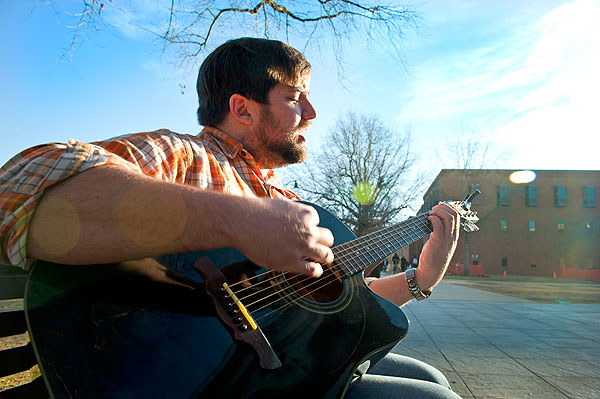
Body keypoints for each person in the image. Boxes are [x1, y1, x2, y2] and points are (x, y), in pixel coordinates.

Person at [0, 38, 461, 399]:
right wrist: (238, 220)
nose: (314, 114)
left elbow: (330, 309)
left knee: (425, 373)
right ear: (242, 108)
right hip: (200, 380)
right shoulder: (185, 156)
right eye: (295, 98)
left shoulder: (286, 199)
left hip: (277, 369)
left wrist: (423, 277)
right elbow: (22, 185)